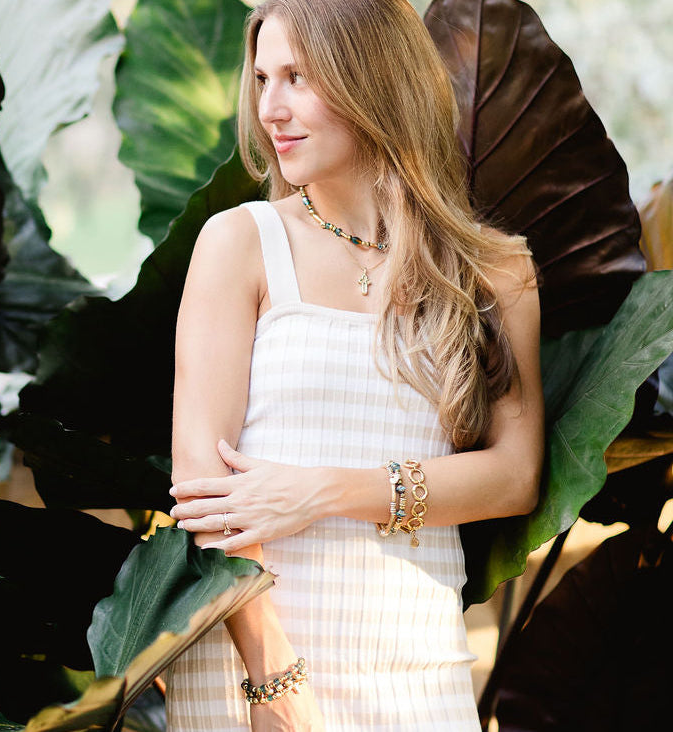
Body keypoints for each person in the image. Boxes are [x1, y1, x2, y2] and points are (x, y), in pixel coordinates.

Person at [163, 0, 544, 730]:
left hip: (419, 667)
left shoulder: (494, 274)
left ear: (373, 80)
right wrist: (275, 682)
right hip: (252, 668)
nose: (271, 109)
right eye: (263, 79)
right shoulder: (241, 243)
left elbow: (514, 476)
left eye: (298, 77)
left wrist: (323, 492)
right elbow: (204, 490)